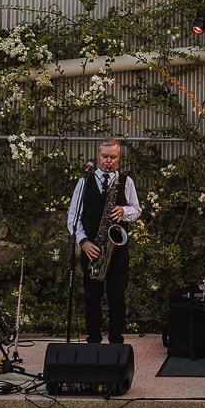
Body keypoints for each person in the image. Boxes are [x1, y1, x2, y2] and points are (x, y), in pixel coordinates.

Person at [66, 138, 141, 344]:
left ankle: (116, 341)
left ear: (119, 158)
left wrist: (124, 211)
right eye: (105, 156)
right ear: (97, 156)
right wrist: (83, 242)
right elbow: (73, 218)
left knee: (117, 298)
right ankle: (93, 341)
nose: (108, 161)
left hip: (117, 252)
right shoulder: (83, 182)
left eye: (113, 157)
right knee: (92, 299)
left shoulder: (126, 182)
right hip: (93, 251)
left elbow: (137, 210)